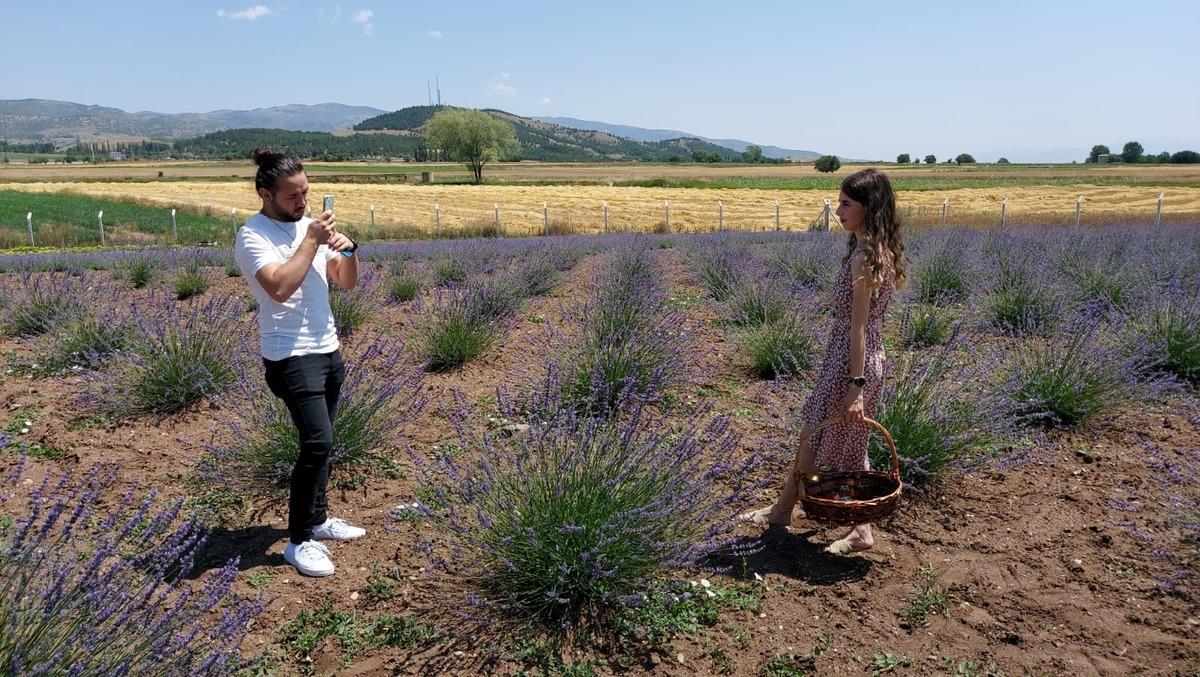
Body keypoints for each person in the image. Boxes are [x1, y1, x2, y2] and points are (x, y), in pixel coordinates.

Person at [744, 167, 907, 555]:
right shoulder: (869, 251)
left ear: (870, 208)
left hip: (853, 364)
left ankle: (861, 529)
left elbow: (860, 328)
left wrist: (855, 387)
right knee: (816, 433)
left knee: (847, 443)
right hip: (849, 360)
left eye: (846, 204)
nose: (838, 211)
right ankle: (783, 509)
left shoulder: (864, 258)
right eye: (839, 202)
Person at [234, 148, 365, 577]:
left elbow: (345, 283)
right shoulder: (252, 235)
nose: (303, 202)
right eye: (292, 196)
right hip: (290, 355)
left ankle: (319, 518)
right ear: (265, 194)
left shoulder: (310, 227)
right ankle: (298, 541)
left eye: (306, 192)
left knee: (324, 440)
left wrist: (347, 251)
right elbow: (278, 288)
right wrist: (311, 240)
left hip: (327, 347)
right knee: (316, 443)